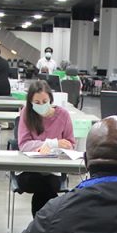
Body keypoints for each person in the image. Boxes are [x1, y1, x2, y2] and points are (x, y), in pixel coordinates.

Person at [15, 80, 74, 216]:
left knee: (48, 186)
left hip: (53, 171)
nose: (41, 105)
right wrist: (52, 143)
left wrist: (64, 146)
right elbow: (24, 145)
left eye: (44, 101)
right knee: (45, 188)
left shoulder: (63, 115)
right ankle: (49, 225)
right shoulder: (26, 113)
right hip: (29, 170)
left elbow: (70, 144)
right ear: (30, 102)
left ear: (50, 99)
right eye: (36, 102)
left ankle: (40, 226)